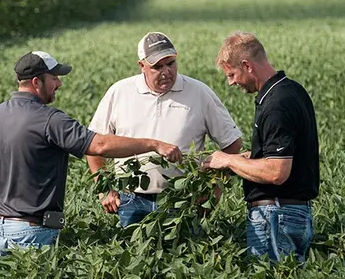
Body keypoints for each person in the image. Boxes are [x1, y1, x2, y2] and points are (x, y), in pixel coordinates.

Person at [0, 50, 182, 264]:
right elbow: (99, 145)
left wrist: (3, 208)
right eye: (54, 78)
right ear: (37, 82)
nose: (59, 84)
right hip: (33, 232)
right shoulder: (49, 120)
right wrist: (153, 144)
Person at [86, 32, 243, 227]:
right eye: (157, 66)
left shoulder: (199, 92)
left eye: (171, 63)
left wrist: (213, 190)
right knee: (135, 254)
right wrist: (104, 188)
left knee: (185, 255)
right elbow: (93, 143)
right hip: (130, 199)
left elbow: (232, 144)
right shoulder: (120, 92)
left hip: (184, 198)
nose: (166, 71)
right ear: (141, 66)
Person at [203, 32, 319, 263]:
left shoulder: (276, 104)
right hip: (291, 214)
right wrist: (249, 157)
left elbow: (276, 172)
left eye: (232, 74)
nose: (231, 82)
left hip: (276, 216)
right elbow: (286, 154)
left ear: (247, 65)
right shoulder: (292, 90)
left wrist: (227, 159)